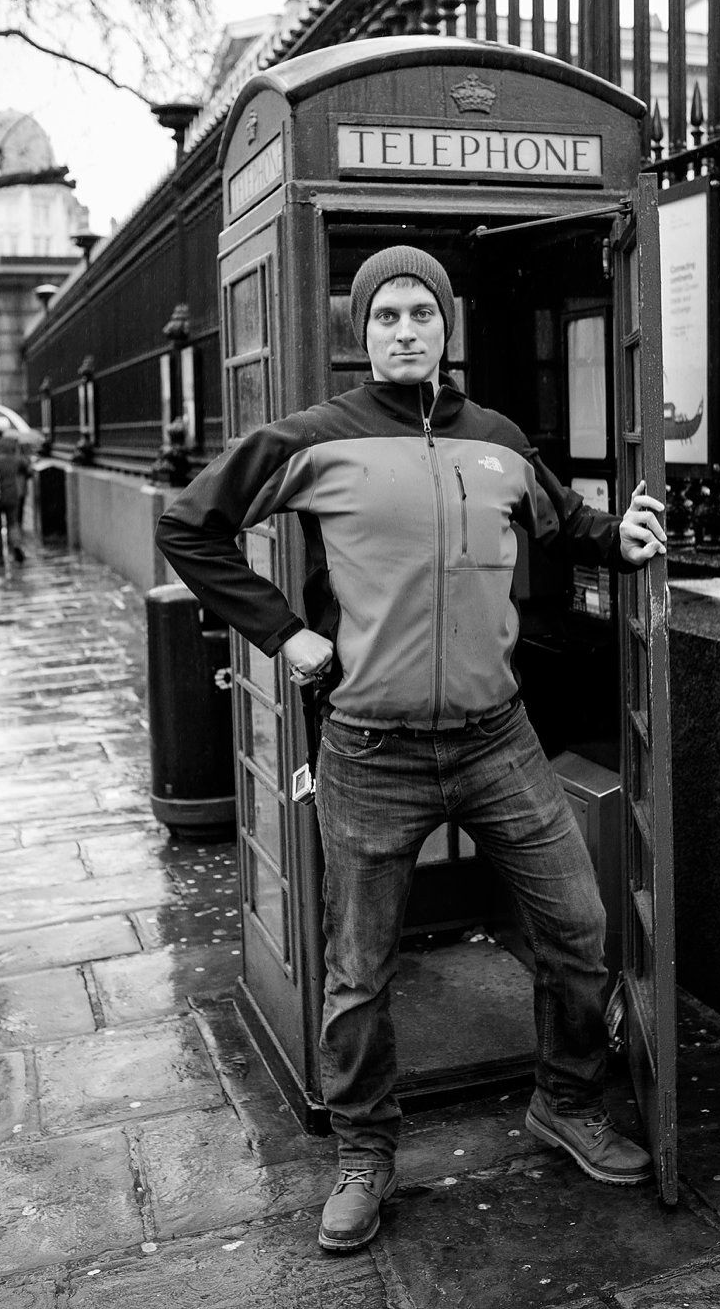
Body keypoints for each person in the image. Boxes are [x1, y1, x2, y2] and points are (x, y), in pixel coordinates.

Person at [155, 245, 667, 1255]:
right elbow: (188, 524)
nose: (402, 328)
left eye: (418, 312)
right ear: (360, 332)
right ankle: (363, 1150)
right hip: (369, 747)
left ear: (444, 326)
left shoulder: (496, 439)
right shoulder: (315, 438)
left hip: (495, 737)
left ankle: (564, 1098)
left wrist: (624, 535)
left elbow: (563, 521)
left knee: (578, 923)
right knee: (356, 968)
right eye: (384, 313)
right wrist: (281, 632)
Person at [0, 428, 36, 564]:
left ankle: (0, 554)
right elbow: (29, 470)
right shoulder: (16, 458)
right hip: (12, 494)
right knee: (13, 523)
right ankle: (16, 546)